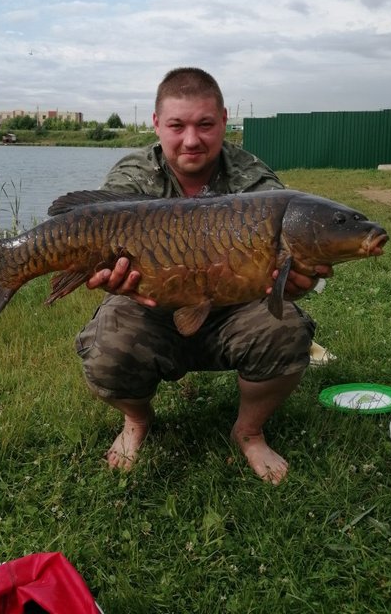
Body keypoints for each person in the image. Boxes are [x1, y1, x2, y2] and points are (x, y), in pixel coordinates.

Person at [75, 67, 333, 484]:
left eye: (205, 124)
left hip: (235, 310)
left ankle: (249, 431)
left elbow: (290, 269)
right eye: (177, 125)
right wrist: (108, 276)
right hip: (151, 307)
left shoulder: (257, 183)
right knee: (107, 347)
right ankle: (137, 420)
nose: (191, 139)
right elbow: (101, 253)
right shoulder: (132, 178)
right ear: (157, 123)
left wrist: (302, 284)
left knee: (287, 329)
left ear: (225, 121)